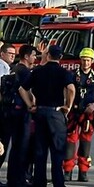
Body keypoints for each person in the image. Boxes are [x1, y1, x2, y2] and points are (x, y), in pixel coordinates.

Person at [18, 44, 75, 187]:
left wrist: (30, 105)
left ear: (47, 55)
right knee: (57, 153)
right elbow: (71, 89)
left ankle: (39, 182)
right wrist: (67, 106)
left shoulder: (37, 71)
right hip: (56, 113)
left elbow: (22, 88)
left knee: (40, 152)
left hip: (40, 112)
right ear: (60, 57)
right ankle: (58, 183)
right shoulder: (64, 73)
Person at [64, 47, 94, 182]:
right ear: (80, 60)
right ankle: (67, 170)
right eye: (84, 60)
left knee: (85, 143)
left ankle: (83, 171)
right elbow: (66, 91)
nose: (85, 63)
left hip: (88, 116)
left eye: (88, 60)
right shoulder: (72, 75)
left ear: (92, 61)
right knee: (70, 142)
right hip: (74, 113)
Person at [5, 44, 38, 187]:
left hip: (12, 111)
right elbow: (24, 90)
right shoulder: (24, 71)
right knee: (21, 147)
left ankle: (13, 178)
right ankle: (18, 180)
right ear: (26, 56)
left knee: (16, 147)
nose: (35, 58)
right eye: (33, 55)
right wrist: (31, 105)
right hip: (21, 112)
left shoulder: (14, 69)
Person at [0, 43, 17, 175]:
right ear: (2, 54)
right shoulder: (2, 67)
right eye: (10, 53)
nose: (13, 56)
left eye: (14, 54)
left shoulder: (7, 67)